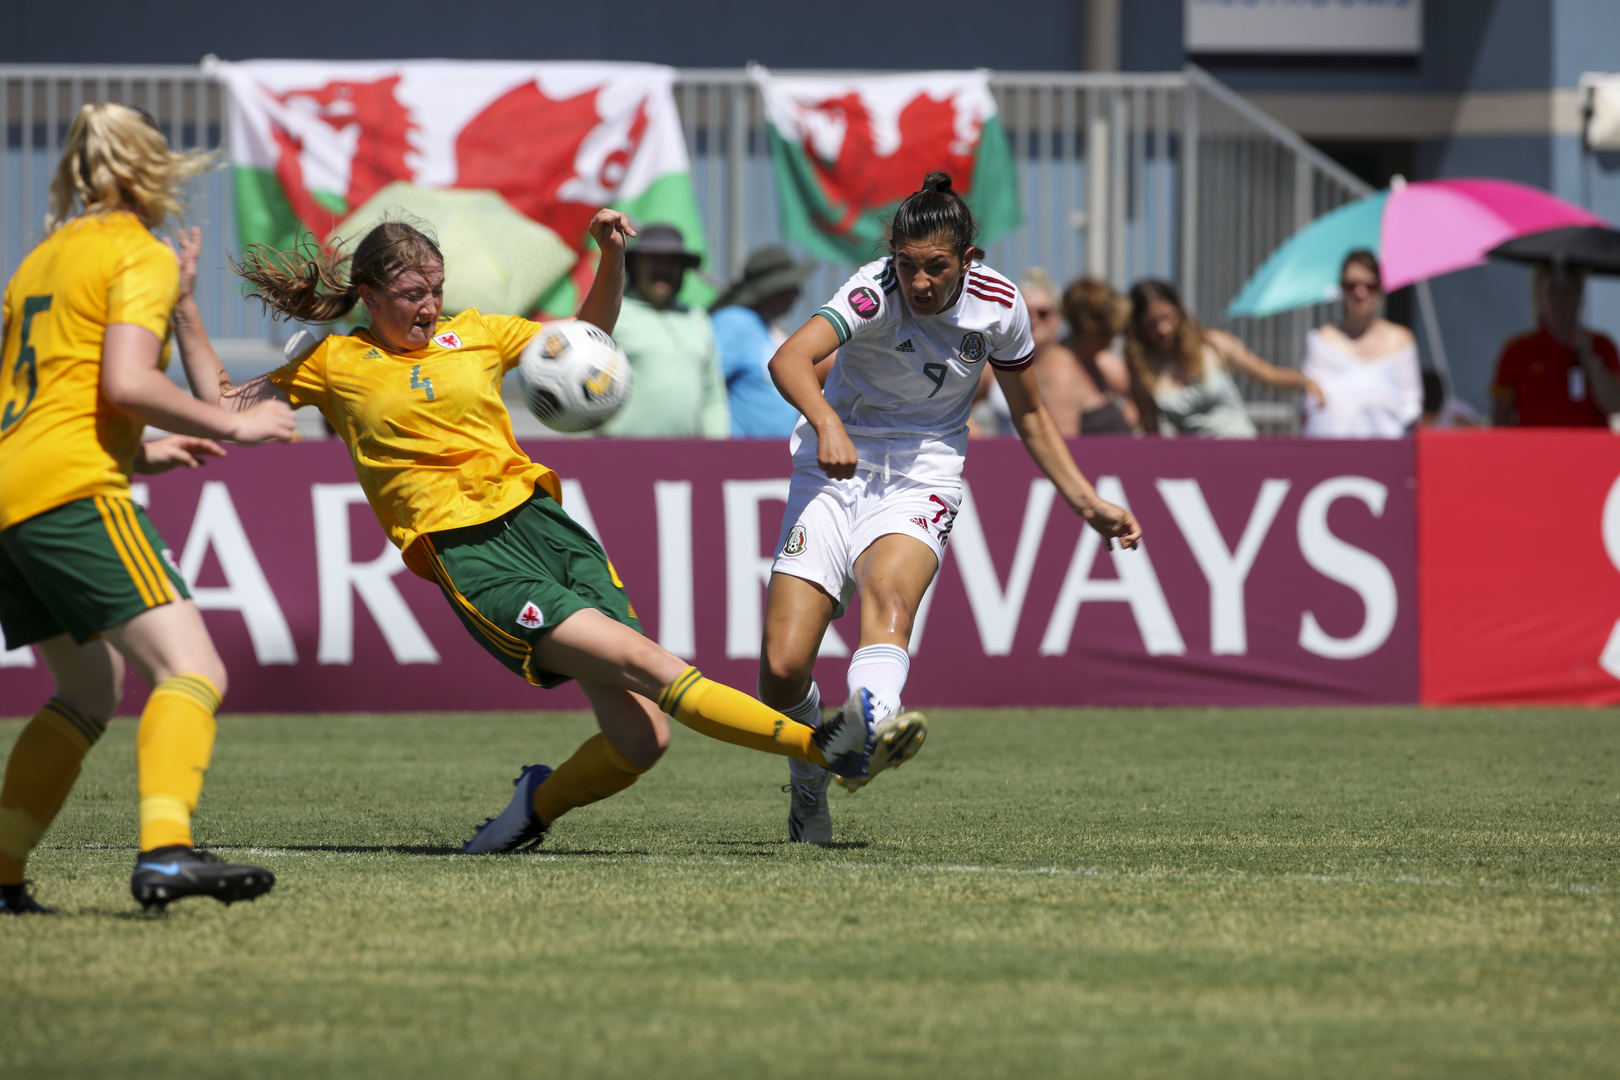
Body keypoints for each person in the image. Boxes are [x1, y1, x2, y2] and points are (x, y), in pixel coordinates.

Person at [210, 213, 884, 855]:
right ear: (369, 295)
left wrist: (612, 256)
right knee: (654, 667)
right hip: (472, 555)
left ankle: (531, 807)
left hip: (547, 529)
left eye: (437, 290)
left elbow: (585, 338)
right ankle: (823, 745)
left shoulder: (474, 332)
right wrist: (186, 310)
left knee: (643, 738)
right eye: (413, 294)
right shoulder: (333, 362)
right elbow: (222, 405)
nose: (430, 307)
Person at [759, 172, 1142, 844]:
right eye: (908, 266)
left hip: (923, 472)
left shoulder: (1001, 306)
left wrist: (1088, 502)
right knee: (783, 667)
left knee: (890, 604)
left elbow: (1030, 414)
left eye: (936, 268)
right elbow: (791, 358)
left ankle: (868, 723)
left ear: (971, 261)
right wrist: (824, 420)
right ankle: (813, 776)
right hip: (834, 462)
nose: (920, 283)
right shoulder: (873, 288)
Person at [0, 103, 295, 914]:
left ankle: (1, 878)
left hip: (11, 493)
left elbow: (45, 397)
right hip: (67, 489)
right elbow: (127, 383)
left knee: (89, 689)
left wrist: (143, 455)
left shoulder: (39, 260)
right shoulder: (136, 253)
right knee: (191, 668)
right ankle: (166, 854)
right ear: (152, 169)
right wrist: (235, 419)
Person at [1124, 278, 1321, 438]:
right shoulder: (1143, 374)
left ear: (1179, 312)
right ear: (1138, 327)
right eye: (1152, 323)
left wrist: (1303, 380)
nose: (1163, 329)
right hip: (1194, 468)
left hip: (1242, 450)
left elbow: (1267, 374)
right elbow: (1153, 436)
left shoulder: (1213, 344)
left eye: (1168, 317)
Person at [598, 222, 729, 438]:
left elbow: (712, 396)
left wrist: (719, 454)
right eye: (654, 260)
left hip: (685, 462)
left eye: (672, 262)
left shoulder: (697, 318)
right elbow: (581, 383)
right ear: (634, 266)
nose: (663, 269)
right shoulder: (611, 313)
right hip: (617, 458)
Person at [1301, 250, 1421, 438]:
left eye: (1369, 285)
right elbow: (1310, 406)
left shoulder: (1401, 340)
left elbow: (1412, 411)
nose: (1360, 292)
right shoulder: (1321, 341)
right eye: (1351, 285)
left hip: (1389, 456)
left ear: (1380, 287)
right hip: (1333, 457)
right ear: (1342, 288)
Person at [1489, 264, 1620, 427]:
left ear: (1579, 295)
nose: (1559, 300)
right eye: (1551, 292)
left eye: (1566, 292)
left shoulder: (1602, 345)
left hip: (1589, 448)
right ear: (1539, 296)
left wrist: (1590, 357)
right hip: (1536, 448)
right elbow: (1499, 418)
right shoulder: (1518, 349)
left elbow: (1614, 405)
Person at [711, 246, 817, 438]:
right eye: (792, 286)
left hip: (770, 460)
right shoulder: (734, 322)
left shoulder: (765, 328)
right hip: (740, 459)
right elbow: (706, 387)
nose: (799, 294)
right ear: (775, 289)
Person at [1050, 275, 1136, 435]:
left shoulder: (1096, 362)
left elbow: (1135, 394)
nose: (1117, 334)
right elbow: (1065, 446)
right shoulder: (1059, 372)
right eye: (1114, 327)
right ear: (1093, 325)